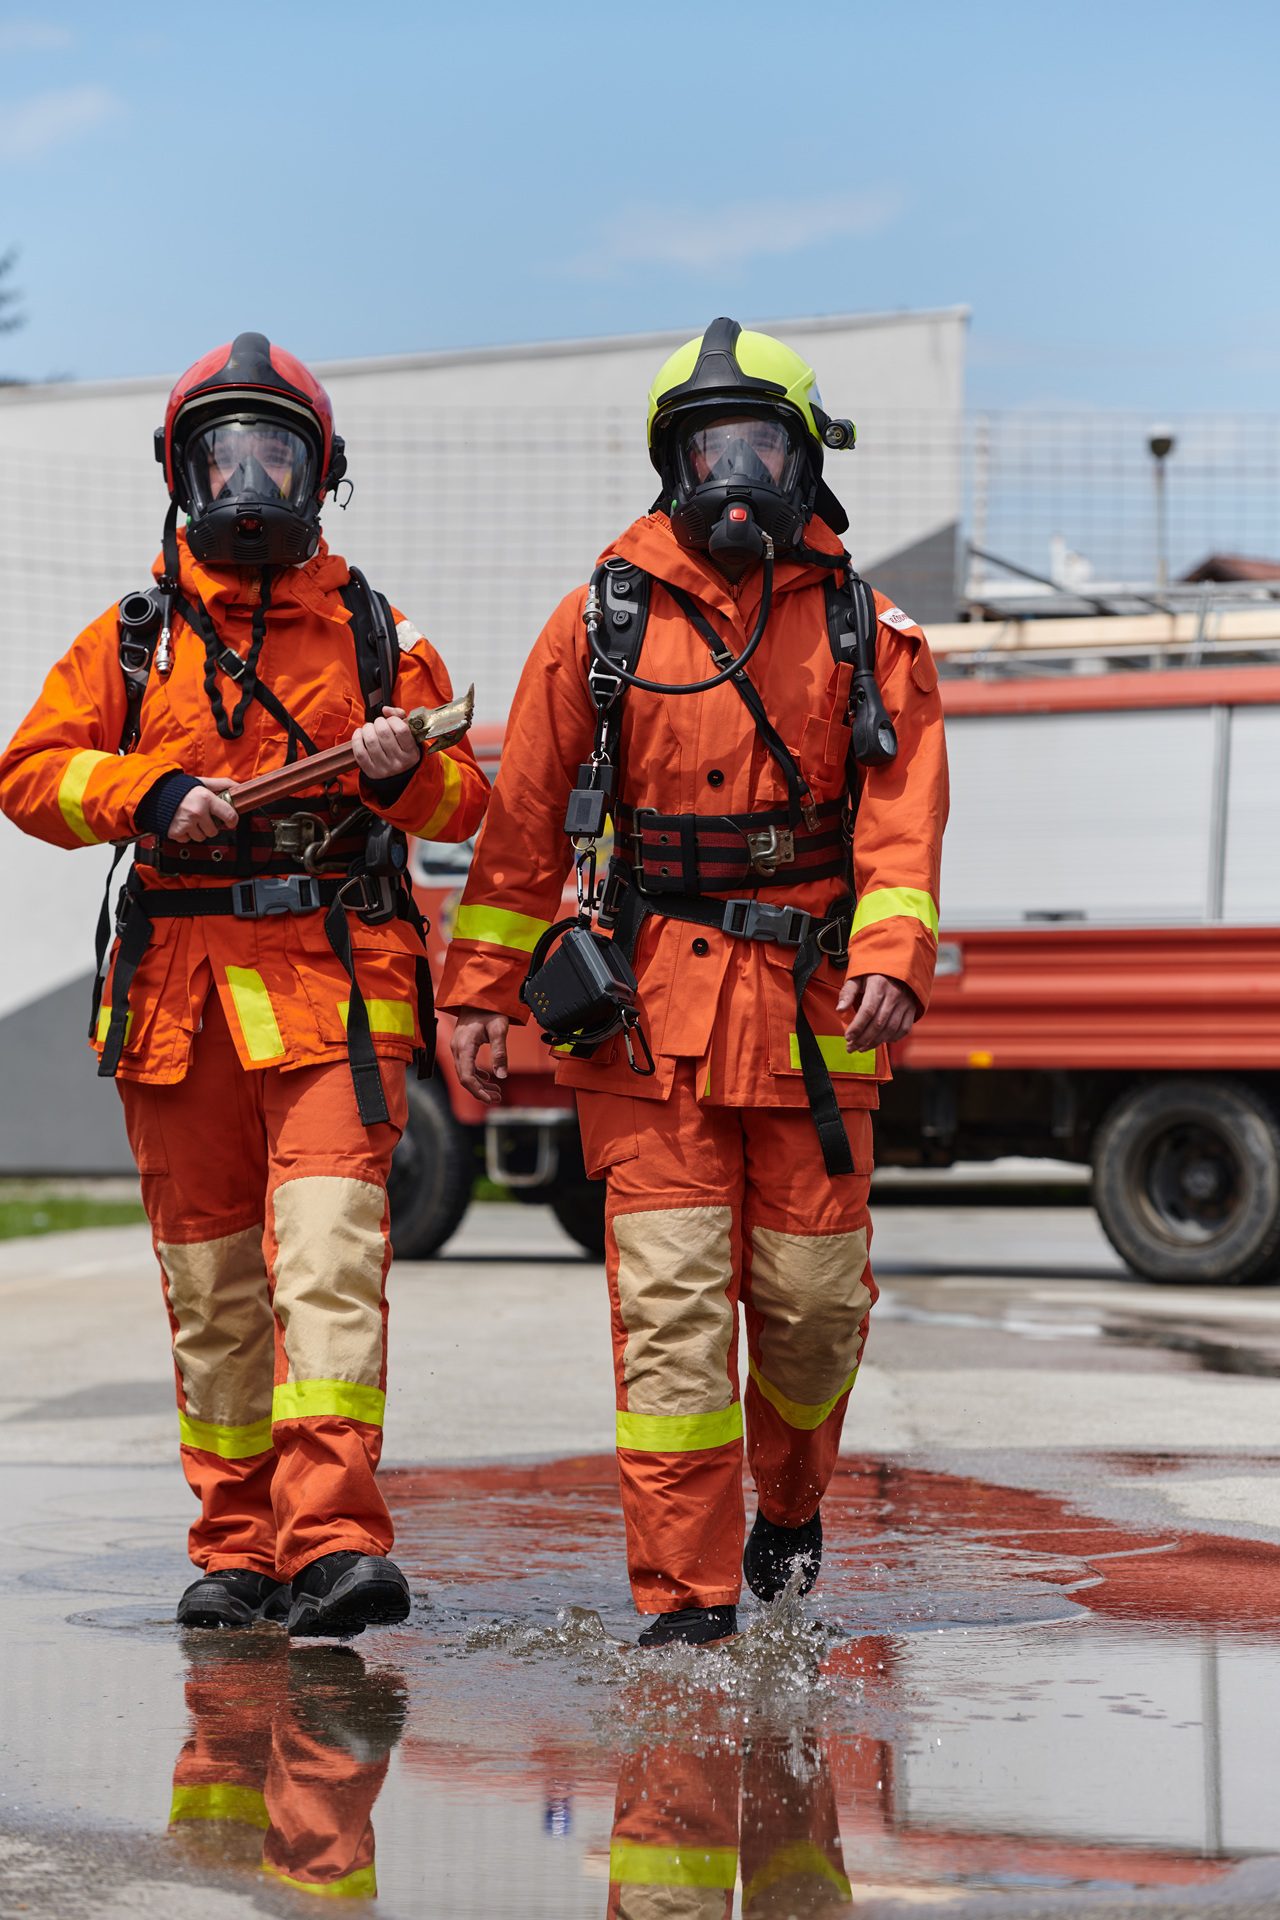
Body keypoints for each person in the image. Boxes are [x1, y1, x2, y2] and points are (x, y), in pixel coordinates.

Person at [440, 318, 947, 1646]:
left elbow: (904, 818)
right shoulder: (600, 614)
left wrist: (895, 952)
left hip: (809, 1028)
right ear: (673, 458)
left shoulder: (865, 626)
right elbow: (524, 825)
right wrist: (479, 989)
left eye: (759, 443)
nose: (736, 471)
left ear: (804, 456)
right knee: (667, 1322)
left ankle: (789, 1505)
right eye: (710, 445)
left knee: (815, 1315)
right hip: (645, 1023)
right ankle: (686, 1603)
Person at [0, 331, 488, 1635]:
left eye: (277, 449)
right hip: (178, 1002)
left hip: (335, 989)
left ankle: (333, 1543)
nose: (252, 476)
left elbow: (466, 794)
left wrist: (394, 770)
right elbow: (28, 774)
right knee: (213, 1286)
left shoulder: (378, 635)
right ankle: (237, 1547)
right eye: (230, 451)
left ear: (320, 471)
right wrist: (142, 789)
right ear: (184, 469)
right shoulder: (135, 637)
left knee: (325, 1260)